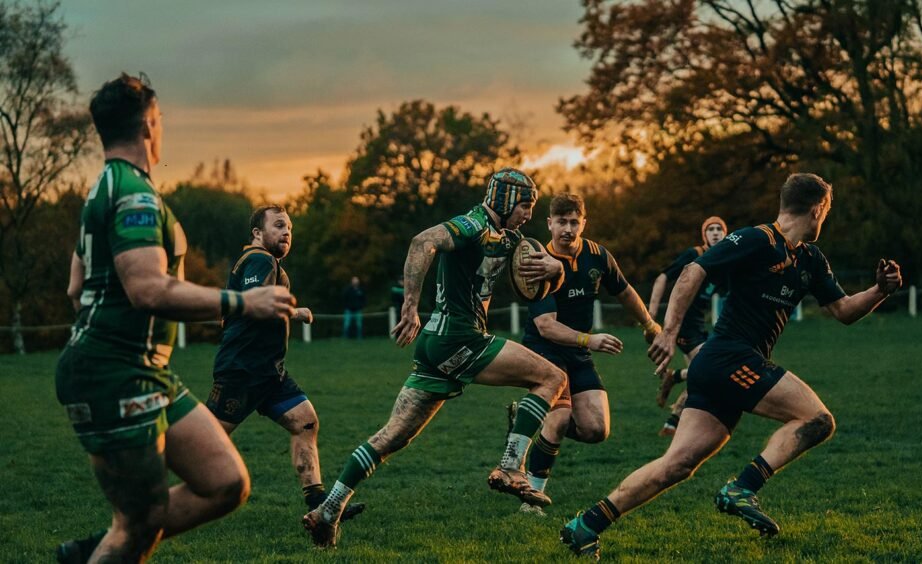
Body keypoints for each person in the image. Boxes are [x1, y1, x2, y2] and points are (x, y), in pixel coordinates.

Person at [560, 173, 903, 559]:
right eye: (827, 211)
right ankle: (743, 487)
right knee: (818, 419)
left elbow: (843, 310)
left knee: (677, 464)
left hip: (722, 365)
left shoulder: (810, 259)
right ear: (817, 209)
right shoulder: (757, 239)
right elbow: (693, 270)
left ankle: (586, 525)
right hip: (730, 357)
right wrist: (669, 333)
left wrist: (880, 290)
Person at [55, 73, 296, 563]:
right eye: (160, 118)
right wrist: (243, 303)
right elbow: (147, 289)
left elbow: (76, 289)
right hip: (115, 373)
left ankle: (103, 546)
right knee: (140, 524)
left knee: (226, 482)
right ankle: (114, 543)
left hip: (144, 370)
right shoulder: (135, 196)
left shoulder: (103, 189)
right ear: (148, 124)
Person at [302, 167, 568, 548]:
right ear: (506, 199)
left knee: (392, 437)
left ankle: (328, 511)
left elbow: (540, 281)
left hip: (436, 344)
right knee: (553, 378)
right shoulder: (473, 224)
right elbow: (422, 242)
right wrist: (410, 306)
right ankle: (511, 466)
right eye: (525, 205)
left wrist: (556, 270)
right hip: (460, 338)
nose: (529, 214)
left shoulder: (510, 238)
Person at [207, 205, 363, 522]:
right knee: (204, 441)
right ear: (257, 233)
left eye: (289, 227)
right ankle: (147, 487)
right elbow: (256, 302)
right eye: (278, 225)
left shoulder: (268, 263)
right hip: (242, 371)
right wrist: (296, 312)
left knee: (305, 421)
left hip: (270, 373)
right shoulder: (259, 259)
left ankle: (319, 505)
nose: (287, 232)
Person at [516, 193, 661, 515]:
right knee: (559, 419)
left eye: (574, 222)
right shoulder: (538, 262)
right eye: (561, 222)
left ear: (584, 223)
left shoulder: (597, 255)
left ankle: (531, 415)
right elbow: (545, 326)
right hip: (544, 351)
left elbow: (624, 291)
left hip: (578, 351)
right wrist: (589, 339)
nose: (568, 229)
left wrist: (650, 325)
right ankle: (531, 498)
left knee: (596, 430)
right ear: (549, 223)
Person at [648, 216, 728, 436]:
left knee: (702, 377)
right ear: (704, 235)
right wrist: (651, 315)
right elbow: (662, 277)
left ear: (725, 234)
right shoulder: (695, 254)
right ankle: (674, 379)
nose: (715, 233)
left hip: (699, 325)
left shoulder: (724, 261)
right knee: (710, 368)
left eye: (719, 229)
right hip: (682, 325)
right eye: (710, 229)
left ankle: (672, 422)